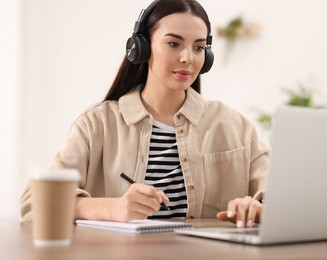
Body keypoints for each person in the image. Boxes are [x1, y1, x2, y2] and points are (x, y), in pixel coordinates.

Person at [20, 0, 269, 228]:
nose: (188, 58)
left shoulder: (235, 126)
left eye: (199, 47)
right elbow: (35, 203)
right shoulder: (98, 125)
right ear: (141, 47)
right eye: (174, 44)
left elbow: (283, 197)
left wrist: (257, 208)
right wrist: (112, 208)